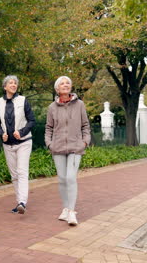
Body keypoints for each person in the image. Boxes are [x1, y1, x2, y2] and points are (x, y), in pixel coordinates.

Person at [44, 76, 90, 226]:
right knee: (62, 179)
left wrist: (84, 142)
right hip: (57, 147)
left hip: (76, 146)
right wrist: (49, 143)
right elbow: (48, 128)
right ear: (57, 89)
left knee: (71, 178)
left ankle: (71, 211)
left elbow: (85, 126)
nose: (65, 85)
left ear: (70, 87)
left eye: (68, 83)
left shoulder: (80, 105)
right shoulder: (52, 107)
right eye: (62, 84)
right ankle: (65, 208)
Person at [0, 75, 35, 214]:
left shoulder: (23, 100)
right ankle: (19, 203)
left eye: (15, 83)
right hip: (8, 144)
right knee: (14, 175)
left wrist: (22, 132)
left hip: (24, 142)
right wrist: (2, 134)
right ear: (5, 87)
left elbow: (31, 121)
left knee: (22, 171)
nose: (13, 85)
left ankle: (22, 202)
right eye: (10, 83)